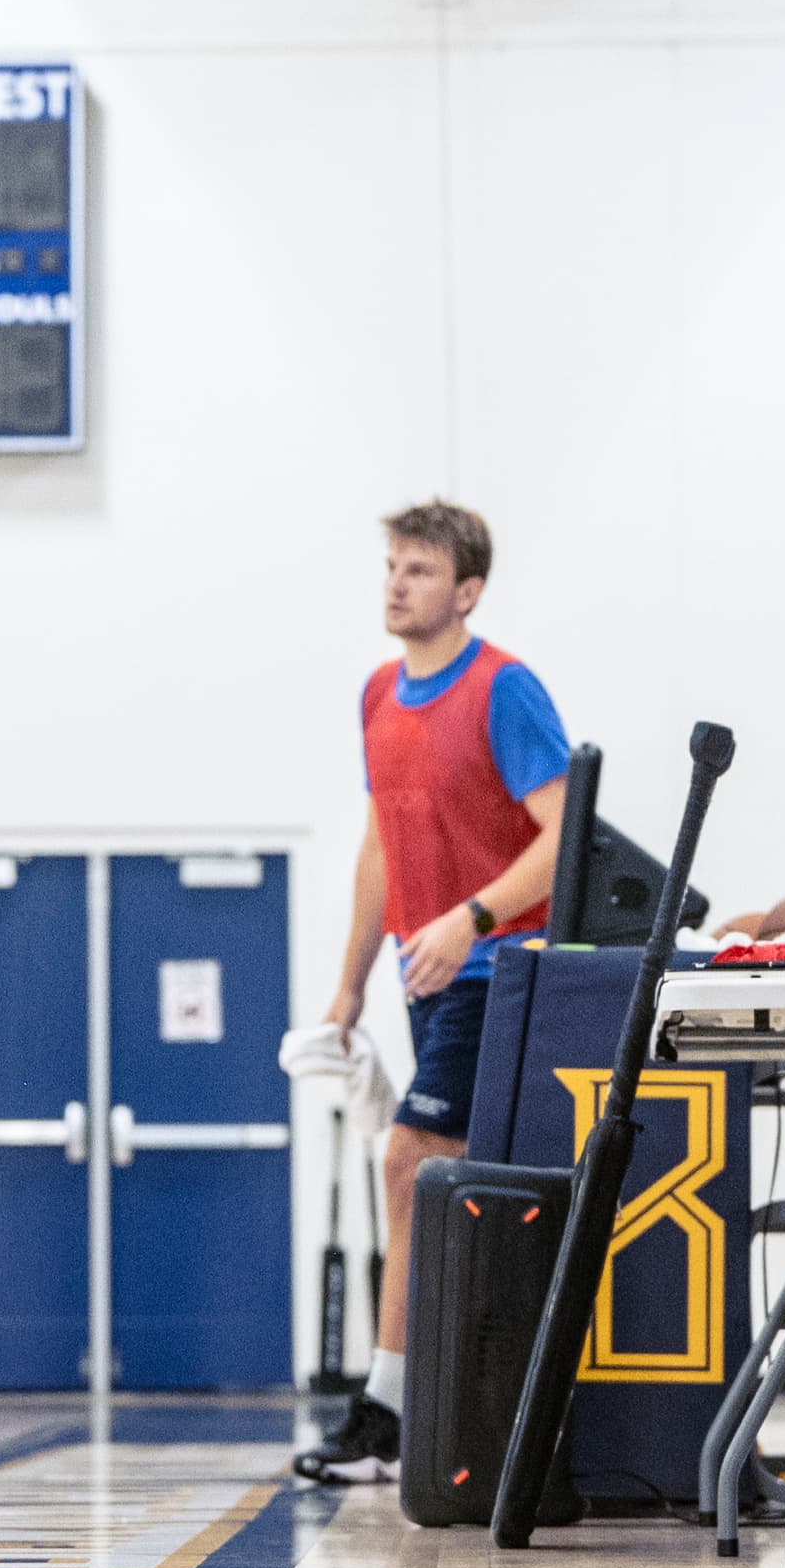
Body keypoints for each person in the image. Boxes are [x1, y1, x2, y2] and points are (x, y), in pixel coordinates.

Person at [293, 502, 574, 1488]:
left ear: (467, 591)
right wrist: (345, 988)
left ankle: (389, 1408)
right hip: (425, 976)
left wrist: (475, 919)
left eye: (420, 569)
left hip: (500, 970)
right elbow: (382, 844)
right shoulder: (378, 695)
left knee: (411, 1162)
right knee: (442, 1184)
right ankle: (445, 1399)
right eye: (393, 565)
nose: (397, 582)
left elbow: (564, 830)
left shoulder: (506, 690)